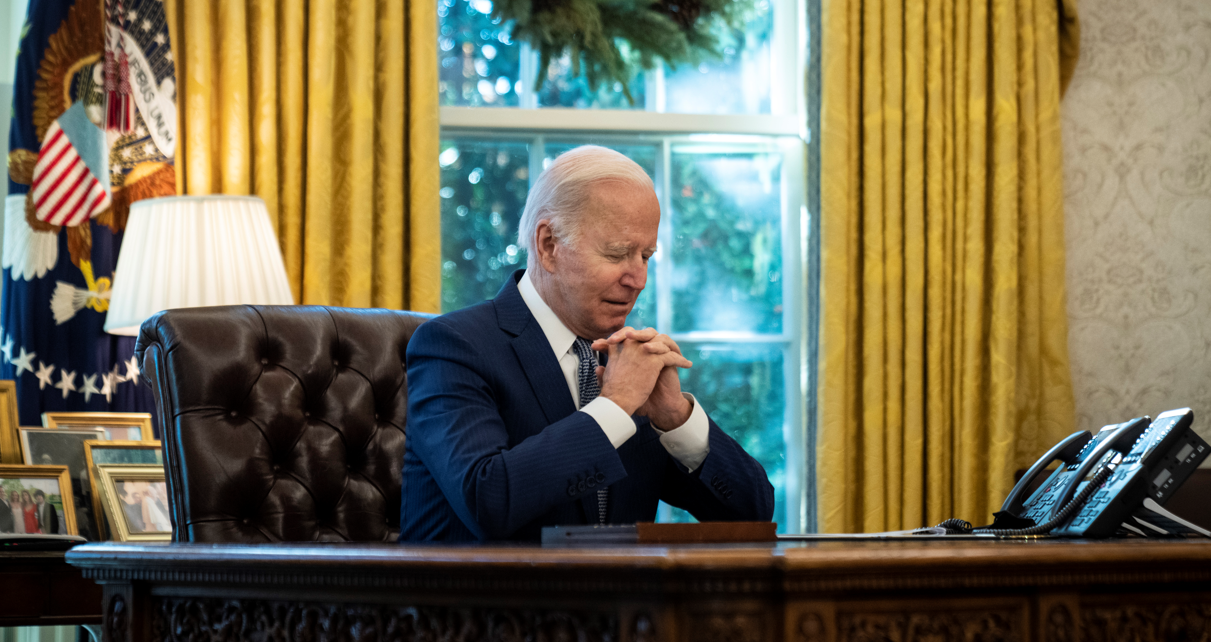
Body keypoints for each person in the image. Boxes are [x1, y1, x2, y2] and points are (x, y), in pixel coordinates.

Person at [401, 145, 775, 542]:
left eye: (646, 255)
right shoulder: (453, 346)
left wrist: (676, 417)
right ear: (548, 245)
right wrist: (613, 407)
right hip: (484, 602)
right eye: (617, 254)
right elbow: (488, 501)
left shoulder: (629, 360)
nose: (638, 279)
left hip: (620, 603)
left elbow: (753, 515)